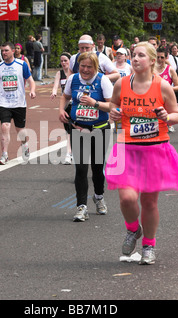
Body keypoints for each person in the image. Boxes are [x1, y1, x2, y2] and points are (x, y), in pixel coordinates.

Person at [105, 42, 178, 265]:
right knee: (127, 198)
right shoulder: (121, 84)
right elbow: (113, 107)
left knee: (149, 202)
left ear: (152, 61)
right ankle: (133, 229)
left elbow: (176, 115)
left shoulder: (162, 86)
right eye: (133, 55)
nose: (135, 59)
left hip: (155, 150)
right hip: (127, 148)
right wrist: (114, 114)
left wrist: (166, 116)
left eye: (140, 56)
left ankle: (148, 244)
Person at [59, 52, 113, 222]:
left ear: (95, 67)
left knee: (97, 168)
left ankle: (98, 196)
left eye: (89, 66)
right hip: (78, 128)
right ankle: (81, 206)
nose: (86, 69)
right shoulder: (73, 79)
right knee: (81, 168)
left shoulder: (102, 80)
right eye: (83, 66)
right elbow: (66, 97)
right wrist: (61, 110)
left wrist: (95, 104)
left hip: (99, 129)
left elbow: (112, 105)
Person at [0, 42, 36, 165]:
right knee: (4, 126)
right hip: (4, 103)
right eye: (2, 51)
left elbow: (31, 80)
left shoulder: (21, 64)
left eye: (6, 50)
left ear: (13, 51)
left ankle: (25, 144)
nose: (4, 53)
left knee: (20, 129)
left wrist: (32, 91)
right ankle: (4, 155)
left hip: (19, 102)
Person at [51, 52, 73, 164]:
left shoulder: (75, 73)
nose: (63, 63)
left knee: (73, 129)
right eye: (62, 61)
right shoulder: (59, 73)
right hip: (65, 105)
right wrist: (54, 92)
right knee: (68, 130)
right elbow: (55, 86)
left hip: (75, 104)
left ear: (70, 61)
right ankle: (70, 152)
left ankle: (70, 152)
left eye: (65, 60)